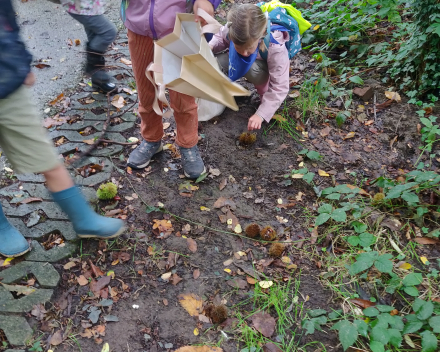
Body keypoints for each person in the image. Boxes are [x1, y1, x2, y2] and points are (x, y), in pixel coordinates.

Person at [0, 0, 125, 258]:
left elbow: (7, 20)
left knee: (45, 156)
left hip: (8, 85)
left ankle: (83, 219)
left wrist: (22, 61)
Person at [121, 0, 221, 179]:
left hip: (179, 29)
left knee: (183, 94)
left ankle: (188, 143)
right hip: (139, 29)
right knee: (146, 90)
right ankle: (151, 139)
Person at [209, 4, 293, 131]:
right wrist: (210, 46)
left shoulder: (275, 46)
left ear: (261, 36)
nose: (244, 52)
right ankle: (222, 90)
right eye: (239, 47)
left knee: (253, 70)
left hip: (260, 68)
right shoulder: (233, 28)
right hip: (234, 59)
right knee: (216, 62)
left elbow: (280, 86)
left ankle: (263, 96)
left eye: (249, 49)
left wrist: (261, 114)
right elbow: (220, 38)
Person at [60, 0, 117, 92]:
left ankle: (98, 80)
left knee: (94, 35)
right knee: (108, 32)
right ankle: (94, 70)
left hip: (90, 6)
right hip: (82, 6)